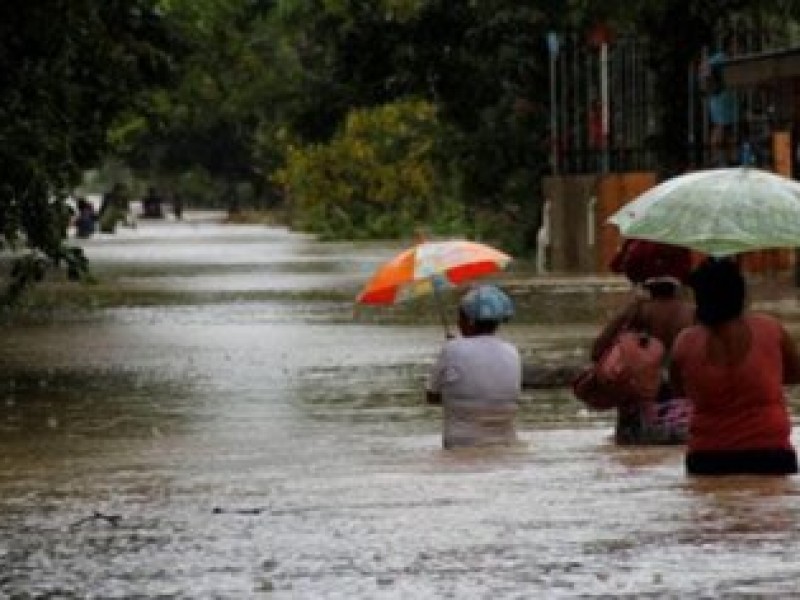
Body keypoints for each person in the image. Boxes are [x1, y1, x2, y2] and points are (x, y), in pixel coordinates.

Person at [670, 258, 800, 475]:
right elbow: (795, 375)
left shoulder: (685, 342)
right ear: (740, 293)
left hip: (707, 456)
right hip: (769, 452)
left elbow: (679, 390)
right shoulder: (770, 329)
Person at [591, 270, 695, 445]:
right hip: (683, 403)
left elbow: (598, 351)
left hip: (642, 400)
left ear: (648, 290)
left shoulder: (638, 312)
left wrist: (626, 313)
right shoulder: (693, 313)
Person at [426, 284, 522, 449]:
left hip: (461, 444)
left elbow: (431, 396)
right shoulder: (512, 351)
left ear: (469, 321)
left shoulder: (451, 349)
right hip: (506, 444)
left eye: (460, 317)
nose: (457, 322)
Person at [700, 35, 738, 166]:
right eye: (734, 44)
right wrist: (711, 85)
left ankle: (727, 156)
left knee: (727, 127)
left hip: (728, 98)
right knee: (720, 126)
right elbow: (705, 70)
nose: (737, 47)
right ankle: (715, 155)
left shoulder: (730, 58)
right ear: (729, 45)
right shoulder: (719, 58)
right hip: (719, 97)